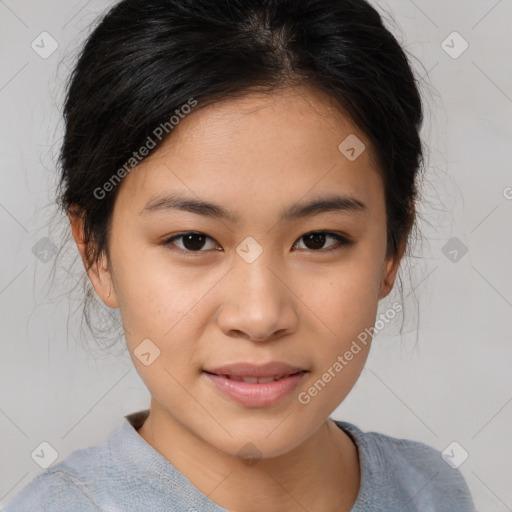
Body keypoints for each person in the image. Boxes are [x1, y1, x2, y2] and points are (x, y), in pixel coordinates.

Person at [4, 0, 477, 510]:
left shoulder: (430, 490)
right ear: (95, 251)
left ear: (393, 247)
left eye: (317, 240)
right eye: (193, 240)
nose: (259, 316)